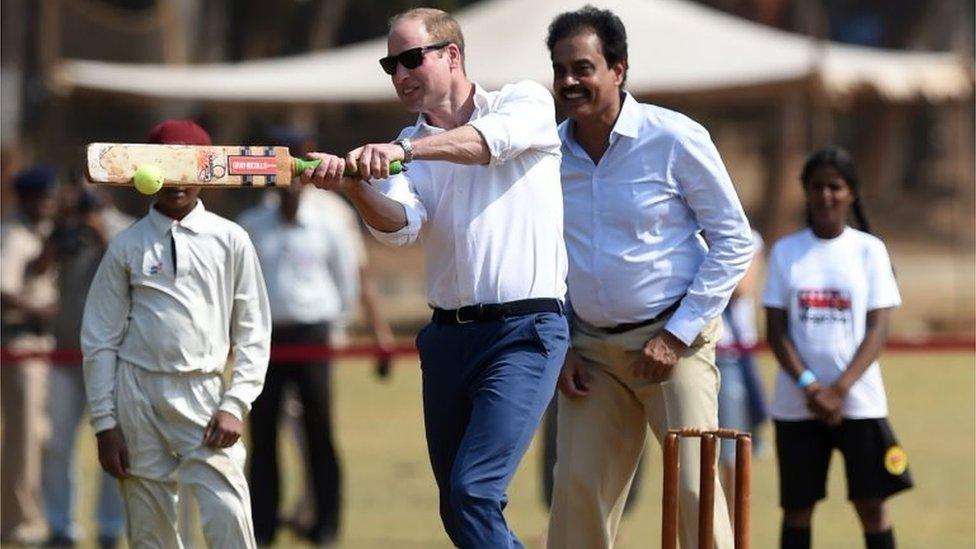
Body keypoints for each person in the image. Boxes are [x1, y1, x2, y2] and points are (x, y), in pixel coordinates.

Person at [302, 8, 569, 547]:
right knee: (457, 506)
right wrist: (355, 186)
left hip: (524, 333)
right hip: (447, 339)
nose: (399, 74)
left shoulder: (524, 101)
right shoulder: (409, 144)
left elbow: (486, 144)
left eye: (409, 58)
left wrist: (401, 152)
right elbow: (399, 226)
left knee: (475, 492)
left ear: (452, 54)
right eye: (389, 64)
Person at [545, 7, 754, 549]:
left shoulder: (674, 137)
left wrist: (676, 333)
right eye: (560, 69)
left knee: (693, 491)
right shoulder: (545, 153)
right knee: (576, 491)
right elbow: (539, 257)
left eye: (583, 68)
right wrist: (561, 342)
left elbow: (734, 240)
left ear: (618, 69)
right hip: (589, 353)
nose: (570, 81)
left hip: (672, 345)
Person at [81, 119, 271, 548]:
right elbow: (99, 339)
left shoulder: (231, 239)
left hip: (205, 393)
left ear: (205, 173)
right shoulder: (127, 246)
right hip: (137, 394)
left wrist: (235, 403)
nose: (175, 181)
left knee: (228, 516)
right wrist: (105, 422)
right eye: (164, 168)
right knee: (150, 530)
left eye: (186, 168)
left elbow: (254, 330)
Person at [763, 147, 913, 549]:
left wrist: (839, 390)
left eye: (835, 186)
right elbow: (776, 332)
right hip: (798, 403)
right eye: (816, 187)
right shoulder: (786, 252)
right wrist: (812, 387)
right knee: (797, 507)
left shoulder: (869, 250)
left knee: (872, 505)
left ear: (851, 193)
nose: (825, 195)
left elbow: (878, 329)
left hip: (858, 401)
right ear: (805, 193)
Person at [238, 137, 359, 546]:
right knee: (264, 437)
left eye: (295, 180)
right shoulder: (252, 226)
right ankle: (264, 526)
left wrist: (337, 329)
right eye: (282, 181)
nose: (289, 188)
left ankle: (325, 526)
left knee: (319, 433)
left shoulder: (328, 222)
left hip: (313, 335)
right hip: (268, 340)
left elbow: (346, 280)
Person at [36, 176, 132, 548]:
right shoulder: (63, 230)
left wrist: (100, 233)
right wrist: (58, 235)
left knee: (113, 445)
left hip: (111, 357)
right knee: (58, 443)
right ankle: (62, 526)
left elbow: (131, 277)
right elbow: (37, 270)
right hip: (65, 352)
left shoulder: (125, 229)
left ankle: (110, 528)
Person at [0, 166, 59, 545]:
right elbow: (2, 289)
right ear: (28, 199)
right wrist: (36, 308)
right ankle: (20, 524)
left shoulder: (38, 234)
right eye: (45, 198)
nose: (50, 205)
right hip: (19, 343)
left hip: (40, 347)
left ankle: (25, 518)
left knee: (37, 437)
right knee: (24, 440)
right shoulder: (13, 234)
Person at [716, 228, 768, 506]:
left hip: (733, 355)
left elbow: (742, 289)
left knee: (733, 451)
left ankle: (734, 533)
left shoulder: (747, 237)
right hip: (691, 349)